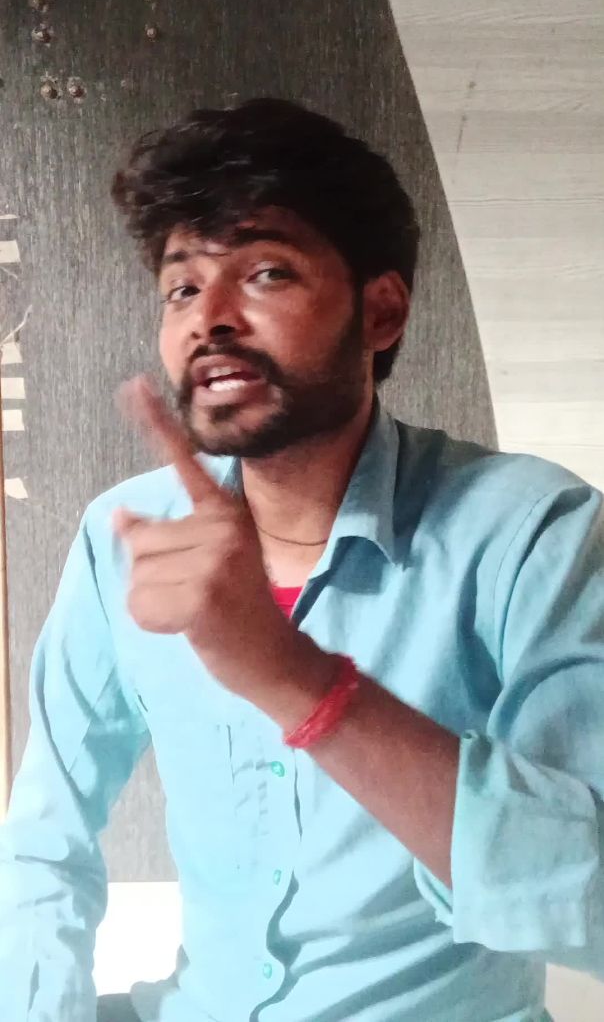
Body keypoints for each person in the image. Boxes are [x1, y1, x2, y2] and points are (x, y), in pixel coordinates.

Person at [0, 98, 603, 1022]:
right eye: (182, 288)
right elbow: (46, 840)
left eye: (265, 271)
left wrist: (295, 679)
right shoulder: (126, 533)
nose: (211, 320)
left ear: (381, 311)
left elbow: (589, 903)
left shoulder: (531, 533)